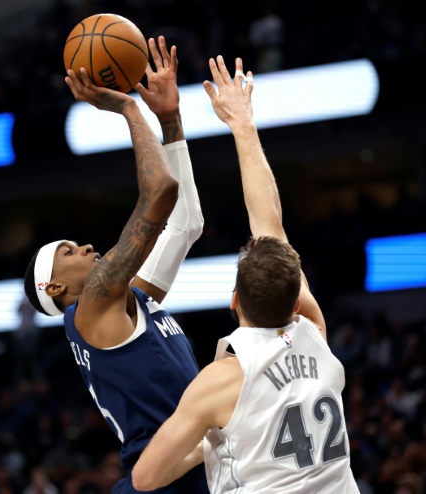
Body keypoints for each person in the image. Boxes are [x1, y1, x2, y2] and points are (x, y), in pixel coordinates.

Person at [132, 55, 360, 493]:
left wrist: (212, 443)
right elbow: (270, 223)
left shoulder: (218, 383)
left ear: (233, 300)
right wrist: (243, 124)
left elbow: (144, 478)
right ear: (297, 303)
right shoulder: (313, 332)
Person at [24, 37, 209, 493]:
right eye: (68, 252)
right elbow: (161, 192)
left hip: (185, 469)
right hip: (166, 477)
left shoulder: (127, 304)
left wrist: (170, 120)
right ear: (54, 290)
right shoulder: (91, 309)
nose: (85, 246)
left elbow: (185, 225)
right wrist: (129, 109)